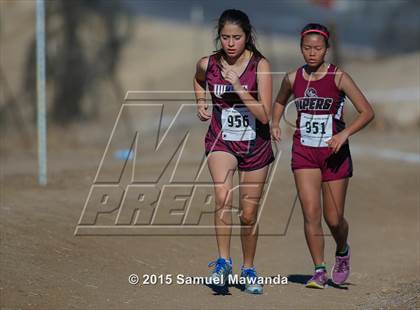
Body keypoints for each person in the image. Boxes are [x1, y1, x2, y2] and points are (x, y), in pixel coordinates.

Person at [271, 23, 374, 289]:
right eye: (307, 48)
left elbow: (366, 112)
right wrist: (274, 122)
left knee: (333, 218)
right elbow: (281, 100)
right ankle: (318, 270)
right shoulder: (293, 78)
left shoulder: (339, 77)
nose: (312, 53)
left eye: (317, 48)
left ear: (326, 49)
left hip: (334, 154)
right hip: (304, 153)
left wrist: (344, 134)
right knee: (310, 213)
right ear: (301, 49)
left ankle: (342, 249)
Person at [193, 9, 274, 294]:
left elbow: (264, 114)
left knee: (248, 214)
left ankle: (248, 267)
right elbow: (198, 78)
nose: (230, 43)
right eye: (225, 37)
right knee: (222, 195)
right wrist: (201, 101)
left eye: (236, 38)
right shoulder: (209, 63)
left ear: (247, 37)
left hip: (255, 145)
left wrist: (238, 86)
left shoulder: (260, 66)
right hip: (221, 141)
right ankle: (223, 262)